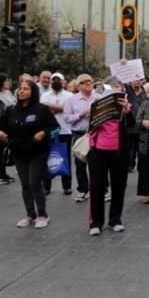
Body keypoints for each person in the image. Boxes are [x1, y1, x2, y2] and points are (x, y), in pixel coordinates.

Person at [0, 78, 58, 229]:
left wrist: (43, 132)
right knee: (25, 185)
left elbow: (56, 128)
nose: (21, 91)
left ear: (33, 92)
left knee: (34, 183)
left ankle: (43, 215)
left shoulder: (41, 109)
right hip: (18, 152)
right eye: (20, 88)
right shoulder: (11, 110)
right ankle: (30, 214)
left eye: (26, 89)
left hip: (38, 152)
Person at [86, 78, 134, 235]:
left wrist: (126, 110)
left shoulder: (126, 107)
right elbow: (90, 126)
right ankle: (95, 222)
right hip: (98, 151)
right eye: (111, 86)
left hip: (120, 151)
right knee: (97, 186)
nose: (114, 88)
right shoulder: (96, 104)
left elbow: (133, 125)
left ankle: (115, 219)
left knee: (119, 186)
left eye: (118, 86)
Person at [64, 73, 97, 203]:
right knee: (80, 164)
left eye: (90, 81)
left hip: (95, 133)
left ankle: (100, 189)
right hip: (79, 134)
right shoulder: (72, 100)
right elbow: (67, 118)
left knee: (97, 163)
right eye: (85, 82)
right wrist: (80, 114)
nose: (89, 84)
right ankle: (83, 190)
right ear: (79, 85)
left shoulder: (98, 98)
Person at [40, 73, 74, 196]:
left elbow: (67, 109)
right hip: (49, 130)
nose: (55, 82)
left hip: (65, 130)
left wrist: (50, 107)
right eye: (53, 80)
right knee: (47, 157)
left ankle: (67, 186)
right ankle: (46, 186)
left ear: (63, 81)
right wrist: (59, 108)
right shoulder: (44, 95)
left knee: (66, 159)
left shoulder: (69, 95)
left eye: (58, 80)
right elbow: (43, 111)